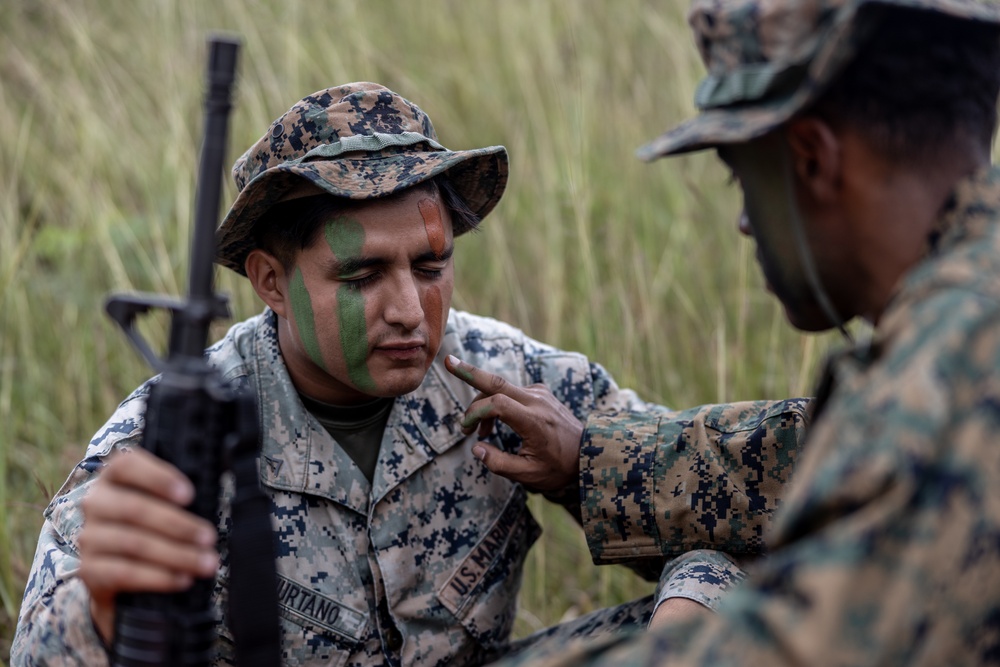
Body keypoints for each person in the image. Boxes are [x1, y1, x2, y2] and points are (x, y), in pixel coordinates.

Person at [11, 83, 810, 666]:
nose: (408, 310)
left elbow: (748, 519)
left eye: (431, 265)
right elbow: (42, 652)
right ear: (270, 281)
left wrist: (594, 489)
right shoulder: (173, 435)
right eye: (361, 278)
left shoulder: (500, 374)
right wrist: (109, 611)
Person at [445, 0, 1000, 664]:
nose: (744, 222)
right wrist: (594, 460)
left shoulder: (956, 365)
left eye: (744, 179)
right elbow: (800, 451)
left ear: (812, 160)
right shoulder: (964, 309)